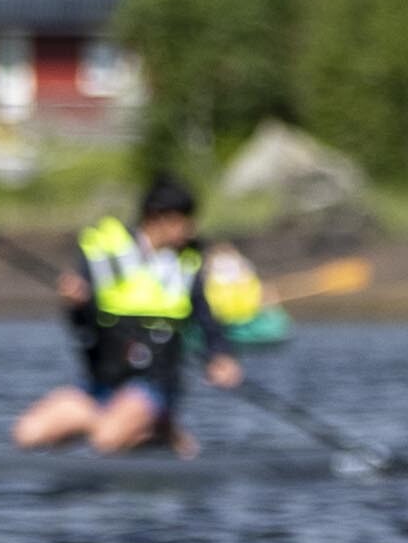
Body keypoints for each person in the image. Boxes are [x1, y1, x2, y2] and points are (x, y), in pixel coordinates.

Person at [14, 178, 243, 454]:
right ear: (158, 218)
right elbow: (82, 325)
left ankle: (158, 426)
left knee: (106, 440)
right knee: (28, 434)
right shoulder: (105, 251)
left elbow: (208, 322)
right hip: (102, 384)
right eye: (184, 220)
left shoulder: (186, 265)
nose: (190, 229)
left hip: (153, 386)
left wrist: (220, 357)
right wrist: (74, 304)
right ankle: (151, 431)